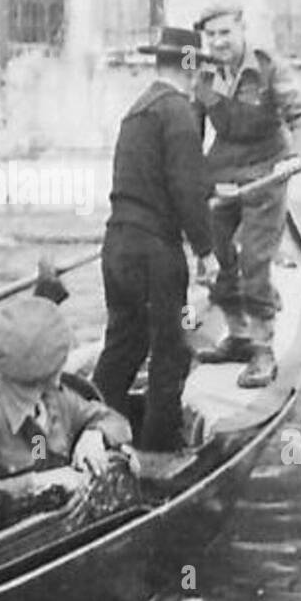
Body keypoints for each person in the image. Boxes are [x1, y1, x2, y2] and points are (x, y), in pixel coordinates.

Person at [93, 26, 220, 453]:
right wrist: (206, 250)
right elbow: (187, 189)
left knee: (122, 348)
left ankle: (95, 437)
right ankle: (159, 452)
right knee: (170, 352)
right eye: (199, 64)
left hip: (117, 247)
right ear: (190, 65)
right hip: (155, 253)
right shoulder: (177, 113)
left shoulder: (137, 111)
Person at [193, 4, 301, 387]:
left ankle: (264, 349)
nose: (218, 42)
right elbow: (191, 127)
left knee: (256, 257)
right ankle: (238, 336)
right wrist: (188, 176)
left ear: (242, 30)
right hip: (222, 171)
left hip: (267, 171)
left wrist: (298, 155)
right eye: (211, 35)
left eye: (225, 33)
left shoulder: (267, 68)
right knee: (218, 255)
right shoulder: (206, 74)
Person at [0, 298, 133, 524]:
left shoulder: (57, 400)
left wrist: (95, 434)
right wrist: (38, 483)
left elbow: (117, 423)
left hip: (64, 525)